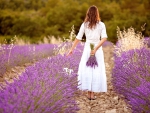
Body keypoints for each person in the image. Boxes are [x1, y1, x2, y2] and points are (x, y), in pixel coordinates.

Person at [67, 5, 107, 100]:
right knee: (95, 69)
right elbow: (104, 38)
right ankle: (92, 94)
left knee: (88, 69)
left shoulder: (84, 25)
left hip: (87, 48)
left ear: (88, 14)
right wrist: (96, 48)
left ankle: (89, 93)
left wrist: (71, 49)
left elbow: (78, 38)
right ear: (97, 13)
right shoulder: (101, 25)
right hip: (97, 49)